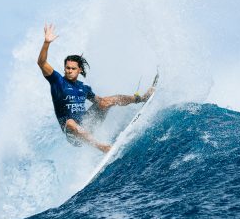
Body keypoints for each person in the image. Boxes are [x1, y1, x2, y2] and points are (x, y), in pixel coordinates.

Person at [37, 23, 154, 153]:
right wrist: (46, 43)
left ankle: (141, 98)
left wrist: (109, 103)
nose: (69, 71)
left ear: (79, 70)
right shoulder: (57, 81)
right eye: (67, 68)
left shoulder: (83, 88)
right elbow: (41, 63)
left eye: (73, 68)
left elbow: (101, 103)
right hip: (72, 134)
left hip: (87, 126)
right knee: (70, 123)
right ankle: (102, 147)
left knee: (105, 101)